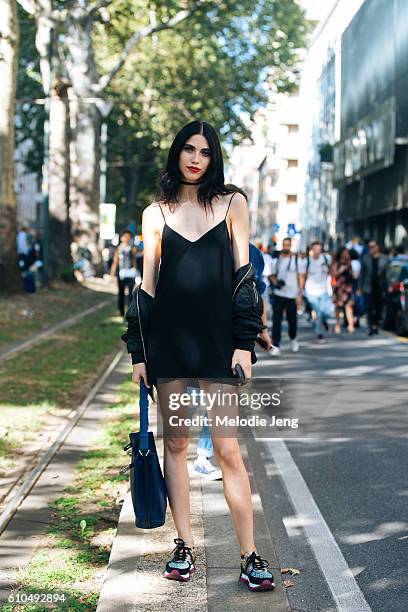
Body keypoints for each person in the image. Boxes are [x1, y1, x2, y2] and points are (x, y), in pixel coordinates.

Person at [121, 120, 274, 591]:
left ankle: (248, 554)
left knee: (227, 447)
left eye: (205, 152)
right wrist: (138, 353)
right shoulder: (155, 213)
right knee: (177, 444)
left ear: (214, 158)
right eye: (188, 149)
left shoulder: (233, 203)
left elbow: (245, 277)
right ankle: (183, 545)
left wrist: (244, 344)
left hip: (217, 341)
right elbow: (146, 288)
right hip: (167, 342)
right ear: (176, 154)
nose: (195, 159)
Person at [269, 237, 306, 356]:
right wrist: (276, 283)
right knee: (276, 320)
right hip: (279, 294)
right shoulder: (277, 259)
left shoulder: (297, 260)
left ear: (290, 246)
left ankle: (293, 338)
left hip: (292, 294)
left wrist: (300, 293)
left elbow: (301, 277)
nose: (286, 247)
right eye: (284, 245)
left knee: (292, 320)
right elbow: (272, 275)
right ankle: (276, 344)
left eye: (288, 245)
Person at [304, 241, 333, 343]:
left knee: (327, 312)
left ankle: (322, 321)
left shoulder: (326, 259)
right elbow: (303, 275)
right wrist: (301, 290)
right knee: (319, 313)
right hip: (311, 291)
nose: (317, 251)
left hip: (324, 290)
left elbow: (331, 271)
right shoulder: (307, 261)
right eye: (315, 249)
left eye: (319, 249)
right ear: (312, 250)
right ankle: (319, 333)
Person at [358, 240, 388, 335]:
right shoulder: (365, 258)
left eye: (373, 246)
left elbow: (388, 274)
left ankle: (376, 324)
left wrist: (389, 285)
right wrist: (359, 287)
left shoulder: (385, 258)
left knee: (379, 308)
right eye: (369, 247)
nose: (371, 249)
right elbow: (362, 274)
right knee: (369, 308)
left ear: (377, 247)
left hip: (380, 288)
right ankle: (370, 327)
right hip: (368, 287)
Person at [110, 230, 138, 317]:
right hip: (121, 274)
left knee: (130, 294)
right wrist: (112, 274)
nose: (127, 239)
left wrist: (136, 271)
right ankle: (121, 311)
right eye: (125, 237)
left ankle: (129, 312)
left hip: (131, 273)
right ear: (122, 238)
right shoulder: (119, 248)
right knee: (121, 293)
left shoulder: (133, 248)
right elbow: (115, 261)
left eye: (128, 237)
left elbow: (134, 260)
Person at [331, 247, 355, 334]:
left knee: (349, 306)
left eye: (347, 253)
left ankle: (351, 325)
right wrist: (341, 270)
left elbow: (352, 275)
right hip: (338, 288)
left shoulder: (349, 263)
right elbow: (333, 275)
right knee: (337, 307)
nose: (346, 255)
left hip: (347, 287)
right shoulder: (336, 263)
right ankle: (337, 324)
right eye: (344, 253)